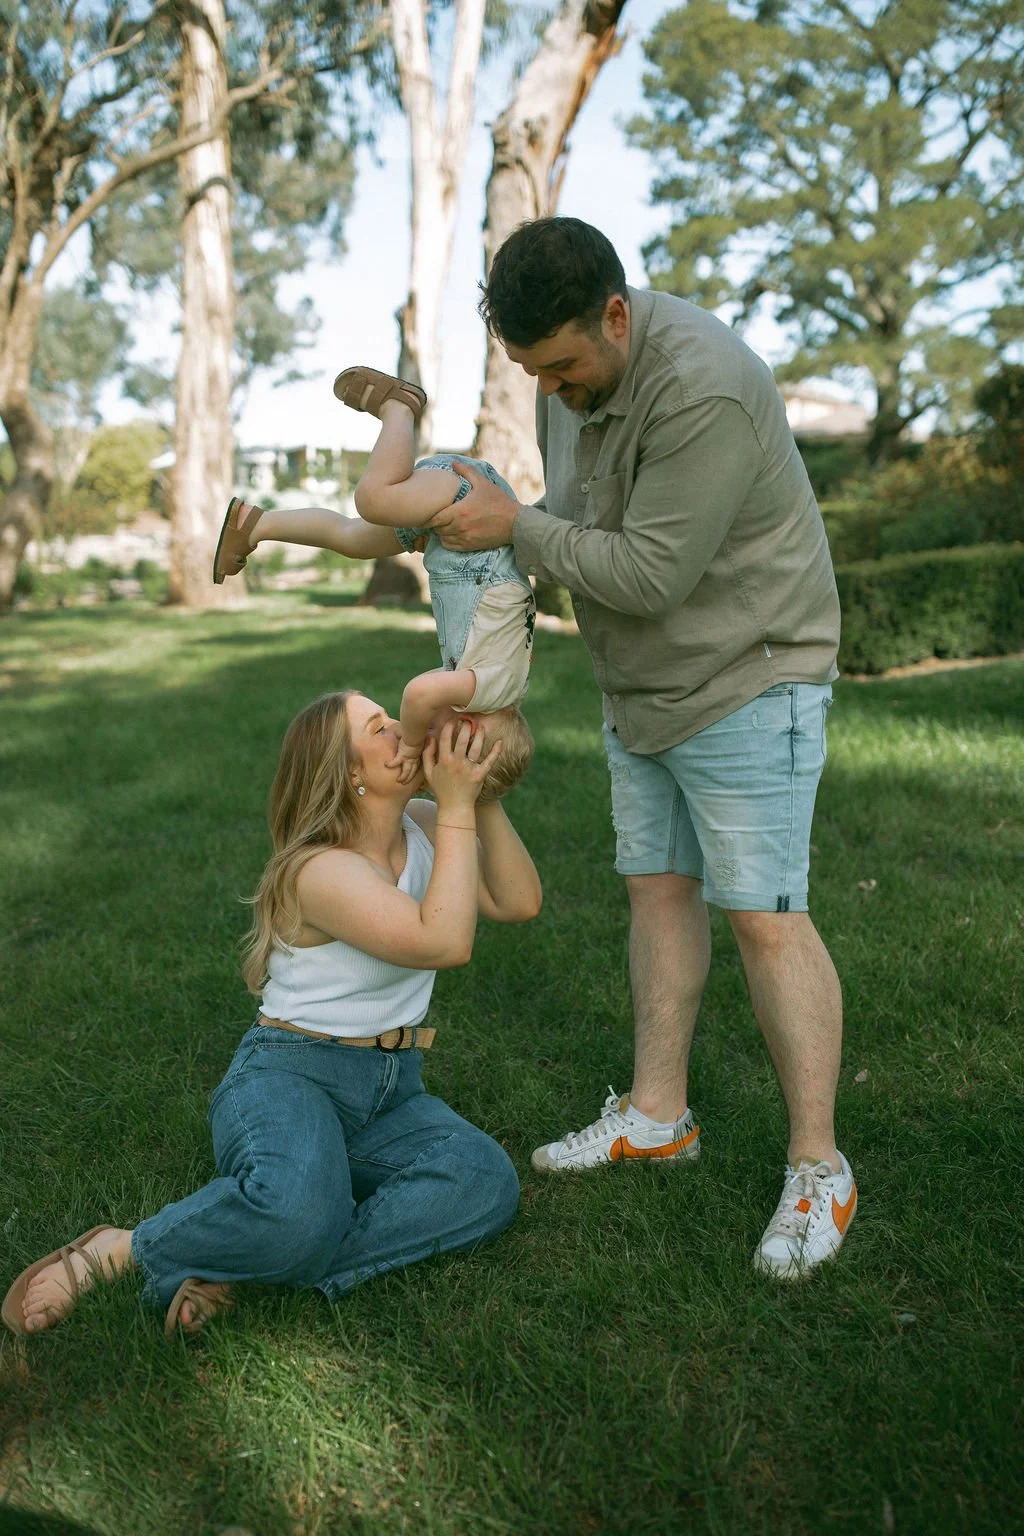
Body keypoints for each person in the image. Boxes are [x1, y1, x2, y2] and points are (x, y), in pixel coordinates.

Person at [424, 216, 855, 1280]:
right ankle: (658, 1114)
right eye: (536, 374)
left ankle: (818, 1168)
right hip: (645, 688)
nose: (556, 393)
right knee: (658, 892)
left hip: (750, 675)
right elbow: (579, 525)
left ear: (614, 315)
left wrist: (513, 529)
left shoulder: (700, 384)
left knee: (762, 915)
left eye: (566, 368)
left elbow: (648, 573)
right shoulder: (559, 371)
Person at [2, 691, 540, 1338]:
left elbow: (518, 902)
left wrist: (479, 797)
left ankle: (254, 1267)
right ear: (349, 774)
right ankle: (126, 1247)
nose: (406, 730)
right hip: (291, 1078)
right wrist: (455, 807)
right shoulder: (318, 871)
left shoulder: (426, 824)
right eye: (380, 728)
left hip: (393, 1089)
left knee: (483, 1180)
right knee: (295, 1212)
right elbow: (444, 942)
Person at [213, 366, 536, 800]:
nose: (424, 747)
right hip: (467, 503)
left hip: (450, 531)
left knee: (352, 538)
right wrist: (412, 745)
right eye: (439, 749)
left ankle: (254, 524)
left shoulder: (496, 684)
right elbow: (418, 694)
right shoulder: (487, 691)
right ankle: (399, 406)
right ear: (468, 730)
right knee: (373, 500)